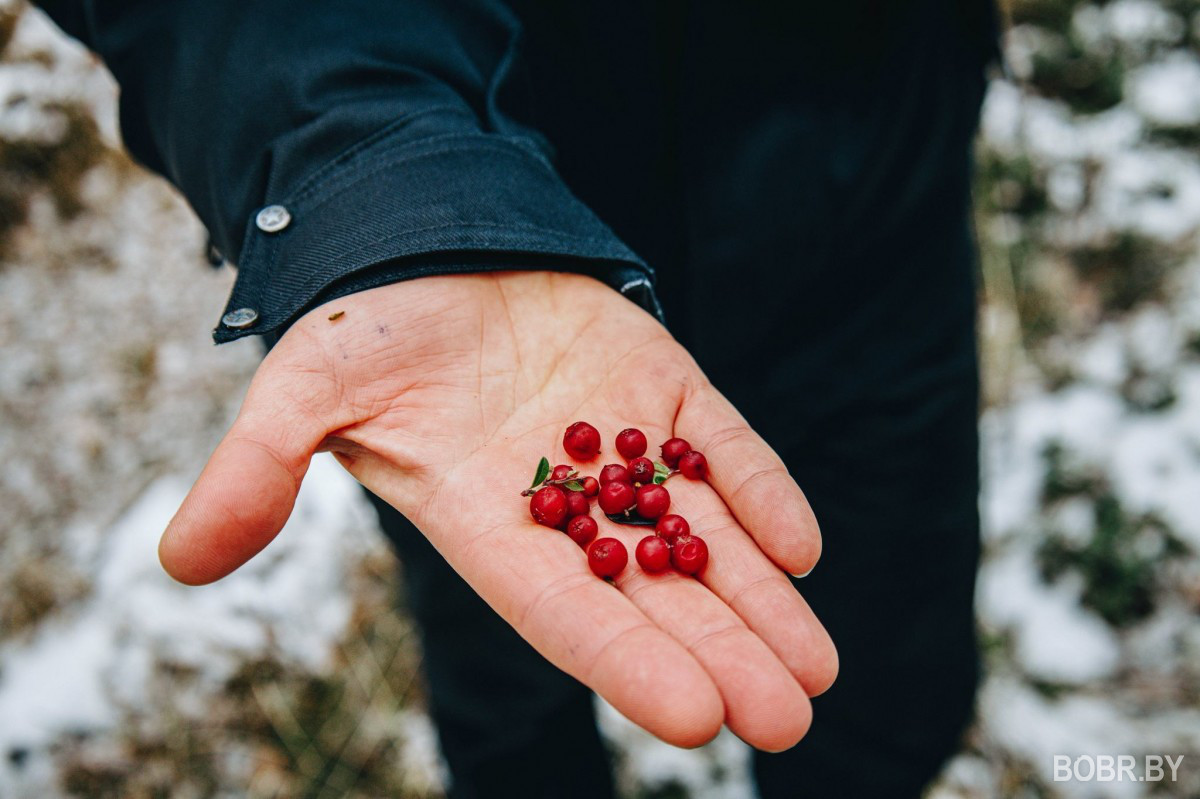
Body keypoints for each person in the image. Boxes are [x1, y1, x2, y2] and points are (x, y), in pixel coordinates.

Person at [34, 1, 998, 796]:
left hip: (868, 192)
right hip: (472, 244)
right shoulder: (521, 429)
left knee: (878, 668)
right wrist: (376, 180)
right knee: (506, 665)